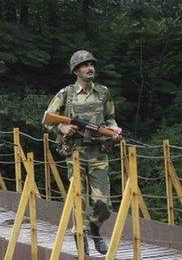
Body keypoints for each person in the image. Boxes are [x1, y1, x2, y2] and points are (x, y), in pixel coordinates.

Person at [42, 50, 121, 255]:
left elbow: (110, 118)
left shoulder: (103, 92)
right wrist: (62, 128)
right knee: (79, 200)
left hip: (98, 153)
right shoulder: (66, 94)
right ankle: (81, 241)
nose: (90, 68)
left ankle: (94, 228)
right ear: (76, 70)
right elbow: (47, 118)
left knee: (103, 203)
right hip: (76, 154)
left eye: (91, 65)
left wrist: (114, 129)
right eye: (85, 65)